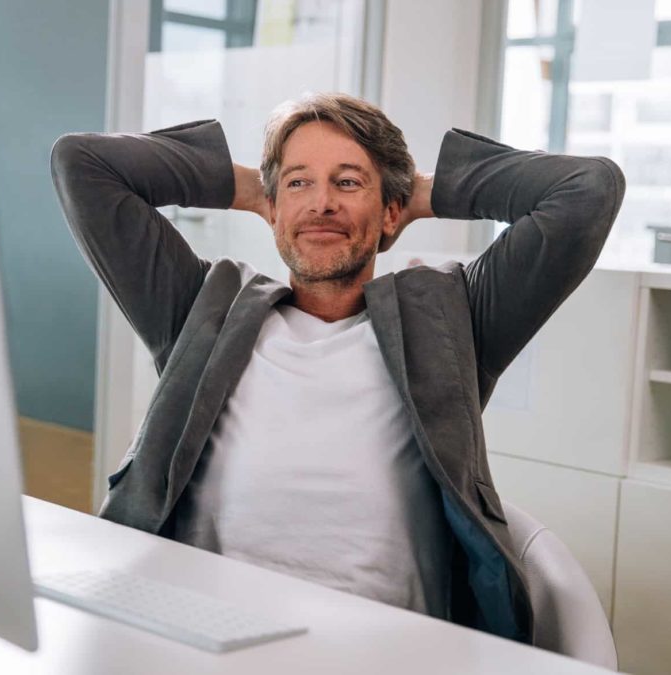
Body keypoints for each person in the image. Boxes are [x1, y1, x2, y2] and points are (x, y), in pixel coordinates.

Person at [50, 93, 625, 644]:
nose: (321, 203)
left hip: (379, 647)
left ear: (390, 213)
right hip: (205, 632)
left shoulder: (455, 324)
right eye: (300, 183)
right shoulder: (202, 308)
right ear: (272, 212)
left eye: (348, 183)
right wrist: (255, 189)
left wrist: (417, 194)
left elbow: (586, 190)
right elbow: (83, 163)